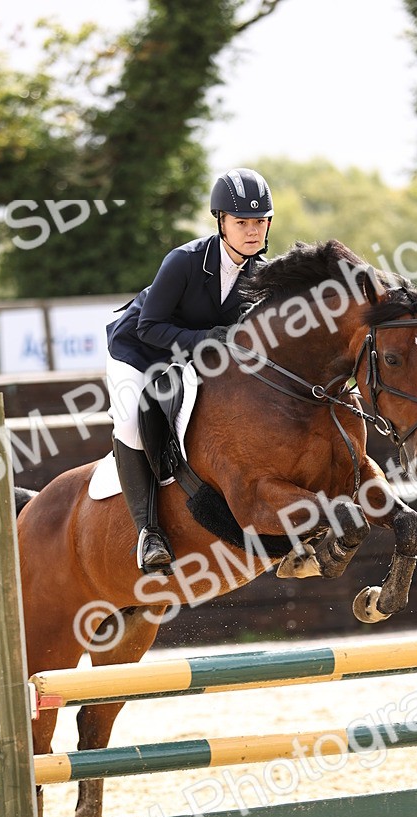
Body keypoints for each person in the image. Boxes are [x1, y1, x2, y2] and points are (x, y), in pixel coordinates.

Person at [105, 167, 274, 572]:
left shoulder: (261, 273)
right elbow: (149, 325)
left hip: (192, 357)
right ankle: (149, 534)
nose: (253, 231)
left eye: (260, 222)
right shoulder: (183, 261)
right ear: (221, 222)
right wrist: (208, 340)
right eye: (242, 222)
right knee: (130, 422)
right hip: (139, 351)